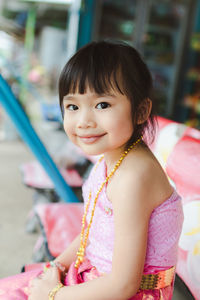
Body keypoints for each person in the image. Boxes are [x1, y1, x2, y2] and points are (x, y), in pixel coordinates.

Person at [0, 41, 183, 300]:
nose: (84, 121)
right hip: (94, 278)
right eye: (73, 107)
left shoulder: (134, 177)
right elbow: (91, 233)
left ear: (141, 111)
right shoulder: (112, 158)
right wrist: (56, 266)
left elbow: (123, 286)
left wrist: (52, 295)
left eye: (102, 105)